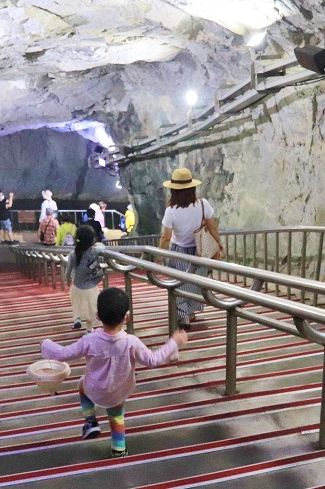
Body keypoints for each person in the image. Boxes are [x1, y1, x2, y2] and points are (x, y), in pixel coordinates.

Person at [41, 287, 187, 458]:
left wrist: (46, 344)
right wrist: (174, 342)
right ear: (127, 317)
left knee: (81, 384)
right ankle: (119, 449)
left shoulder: (89, 340)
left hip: (94, 390)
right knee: (117, 415)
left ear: (97, 316)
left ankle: (90, 421)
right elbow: (153, 360)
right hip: (119, 391)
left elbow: (62, 354)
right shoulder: (132, 342)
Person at [158, 167, 223, 331]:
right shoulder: (202, 204)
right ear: (192, 187)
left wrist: (159, 255)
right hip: (199, 250)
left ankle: (184, 317)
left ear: (173, 190)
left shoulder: (171, 211)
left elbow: (166, 237)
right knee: (195, 283)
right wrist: (219, 244)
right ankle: (192, 311)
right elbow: (212, 227)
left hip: (178, 251)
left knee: (178, 284)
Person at [64, 225, 104, 332]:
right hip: (91, 287)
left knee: (77, 304)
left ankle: (77, 320)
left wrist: (67, 280)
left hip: (76, 286)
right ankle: (89, 330)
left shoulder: (73, 253)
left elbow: (68, 270)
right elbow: (102, 247)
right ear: (92, 240)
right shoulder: (94, 251)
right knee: (91, 309)